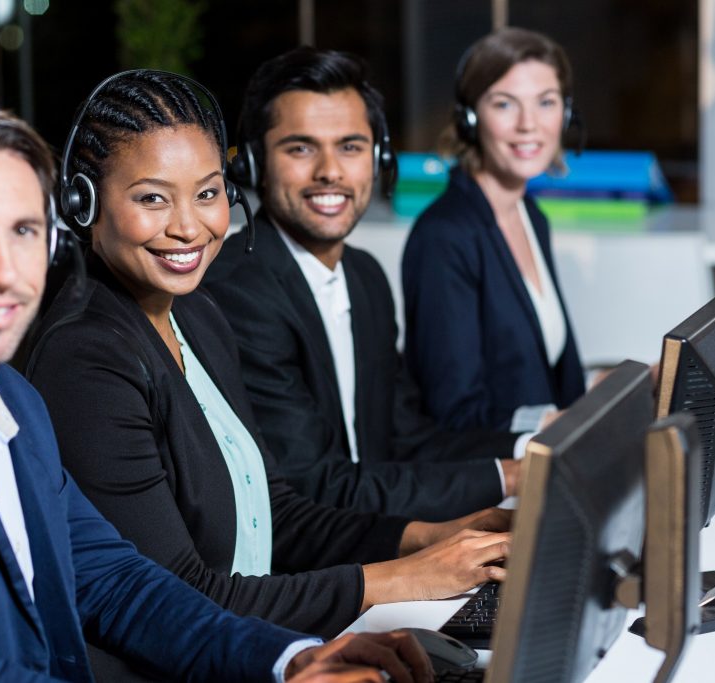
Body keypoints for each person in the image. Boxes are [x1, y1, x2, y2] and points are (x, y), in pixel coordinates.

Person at [0, 103, 434, 683]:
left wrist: (286, 659)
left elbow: (117, 581)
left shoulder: (7, 396)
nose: (2, 273)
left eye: (24, 231)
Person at [25, 70, 511, 649]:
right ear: (83, 205)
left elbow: (275, 514)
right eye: (152, 198)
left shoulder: (198, 315)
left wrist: (435, 535)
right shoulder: (85, 358)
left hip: (257, 639)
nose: (188, 227)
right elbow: (180, 597)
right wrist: (400, 578)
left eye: (207, 193)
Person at [205, 47, 524, 520]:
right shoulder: (240, 291)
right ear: (252, 165)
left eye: (350, 146)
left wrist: (534, 448)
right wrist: (513, 477)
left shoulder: (365, 277)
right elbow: (316, 486)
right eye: (301, 148)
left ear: (379, 159)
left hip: (375, 541)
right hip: (310, 574)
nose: (330, 171)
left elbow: (408, 440)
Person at [402, 27, 586, 434]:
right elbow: (456, 414)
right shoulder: (444, 237)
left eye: (546, 103)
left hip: (554, 465)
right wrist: (566, 423)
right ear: (470, 119)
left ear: (565, 114)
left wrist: (643, 381)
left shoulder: (530, 215)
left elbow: (548, 381)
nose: (529, 124)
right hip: (494, 485)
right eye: (504, 104)